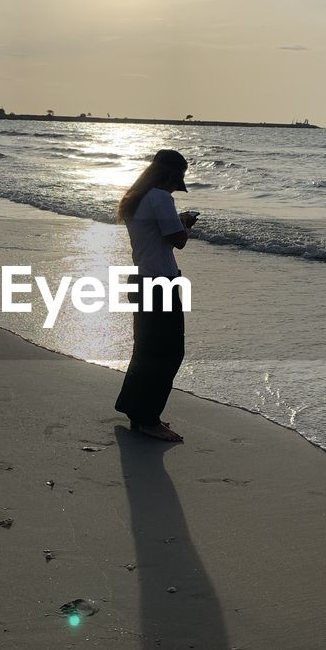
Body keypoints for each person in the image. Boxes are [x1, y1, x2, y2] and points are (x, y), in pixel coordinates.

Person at [114, 149, 198, 443]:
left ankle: (133, 407)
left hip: (140, 279)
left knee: (146, 351)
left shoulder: (134, 198)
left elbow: (155, 234)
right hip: (160, 282)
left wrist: (177, 220)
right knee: (169, 353)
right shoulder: (161, 198)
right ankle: (148, 419)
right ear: (173, 175)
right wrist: (185, 222)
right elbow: (178, 241)